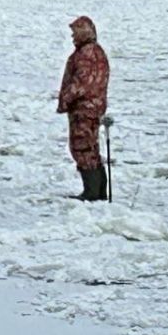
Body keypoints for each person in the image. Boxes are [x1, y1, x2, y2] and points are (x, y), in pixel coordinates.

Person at [57, 15, 109, 201]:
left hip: (84, 109)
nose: (72, 37)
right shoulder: (96, 51)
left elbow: (82, 82)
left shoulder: (87, 54)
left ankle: (92, 192)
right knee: (90, 147)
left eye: (75, 33)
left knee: (82, 147)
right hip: (93, 107)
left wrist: (65, 99)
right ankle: (99, 191)